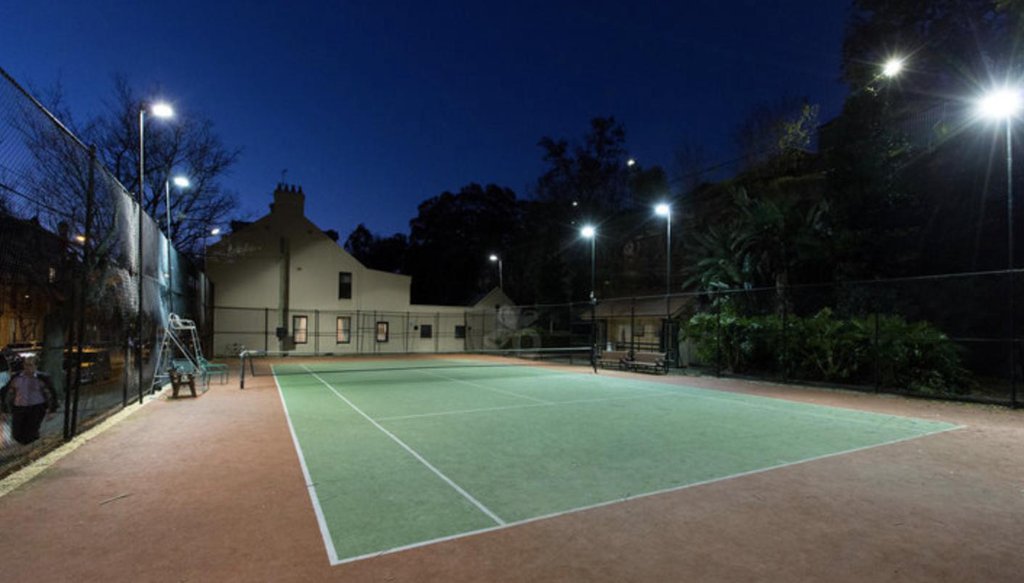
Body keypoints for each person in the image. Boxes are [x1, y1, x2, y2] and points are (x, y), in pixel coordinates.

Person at [0, 355, 59, 445]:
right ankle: (26, 446)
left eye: (30, 365)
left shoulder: (42, 378)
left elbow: (52, 393)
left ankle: (31, 449)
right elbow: (5, 392)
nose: (28, 368)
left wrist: (52, 410)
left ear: (36, 366)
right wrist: (4, 409)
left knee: (30, 432)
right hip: (19, 407)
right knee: (16, 433)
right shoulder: (17, 377)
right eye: (26, 365)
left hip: (36, 407)